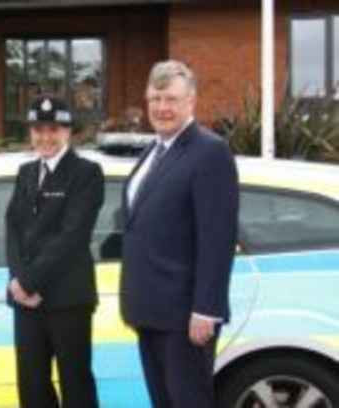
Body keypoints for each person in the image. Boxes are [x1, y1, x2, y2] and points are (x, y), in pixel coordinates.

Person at [119, 60, 239, 408]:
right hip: (150, 310)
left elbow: (217, 237)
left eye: (171, 99)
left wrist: (206, 309)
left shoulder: (209, 152)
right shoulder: (153, 151)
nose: (161, 108)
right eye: (155, 99)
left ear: (191, 102)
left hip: (185, 316)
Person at [5, 96, 104, 408]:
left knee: (76, 387)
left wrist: (30, 281)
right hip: (27, 302)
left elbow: (72, 236)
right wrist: (18, 282)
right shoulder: (26, 172)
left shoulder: (86, 173)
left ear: (68, 132)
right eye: (38, 129)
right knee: (32, 387)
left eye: (53, 129)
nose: (45, 137)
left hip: (67, 299)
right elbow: (13, 230)